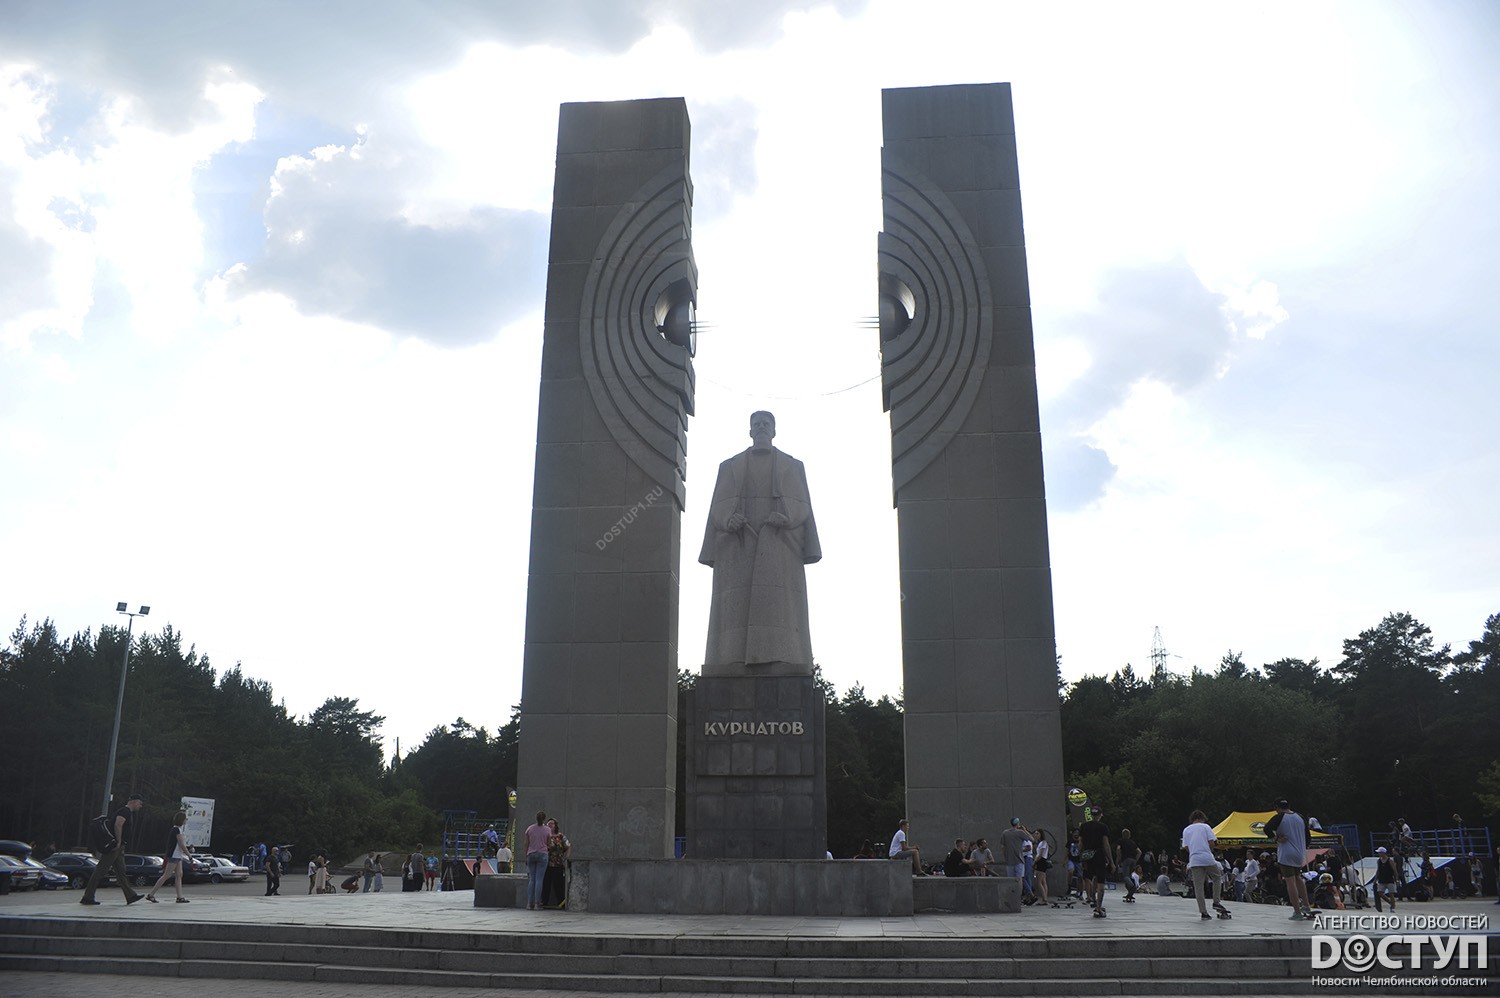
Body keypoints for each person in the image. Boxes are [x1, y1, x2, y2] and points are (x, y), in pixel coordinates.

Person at [699, 411, 821, 675]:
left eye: (767, 424)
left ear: (774, 431)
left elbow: (802, 504)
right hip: (737, 543)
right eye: (757, 424)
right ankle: (731, 660)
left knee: (780, 609)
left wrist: (786, 516)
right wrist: (728, 518)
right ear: (750, 431)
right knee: (734, 612)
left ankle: (781, 658)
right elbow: (717, 505)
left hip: (779, 543)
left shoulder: (793, 465)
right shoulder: (729, 466)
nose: (762, 427)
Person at [81, 792, 145, 906]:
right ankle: (87, 897)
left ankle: (130, 895)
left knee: (121, 872)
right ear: (134, 802)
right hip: (115, 847)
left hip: (119, 848)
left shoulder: (126, 812)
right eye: (140, 803)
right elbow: (118, 824)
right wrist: (118, 841)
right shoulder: (124, 811)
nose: (140, 806)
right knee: (100, 871)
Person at [1265, 798, 1313, 919]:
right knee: (1298, 878)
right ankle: (1306, 905)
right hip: (1300, 853)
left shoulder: (1280, 817)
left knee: (1290, 881)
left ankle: (1297, 911)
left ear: (1277, 808)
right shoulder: (1300, 817)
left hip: (1286, 852)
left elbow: (1266, 829)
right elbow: (1308, 837)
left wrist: (1276, 838)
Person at [1182, 809, 1228, 920]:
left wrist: (1193, 851)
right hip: (1206, 857)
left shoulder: (1186, 830)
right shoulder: (1206, 827)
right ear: (1201, 818)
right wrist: (1209, 850)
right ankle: (1216, 901)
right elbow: (1212, 842)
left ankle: (1203, 912)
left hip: (1194, 859)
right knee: (1217, 877)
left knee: (1198, 887)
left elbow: (1186, 846)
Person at [145, 810, 190, 904]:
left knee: (179, 875)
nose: (186, 820)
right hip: (174, 855)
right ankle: (151, 894)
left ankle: (180, 897)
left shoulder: (177, 829)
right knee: (167, 875)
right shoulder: (176, 830)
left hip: (177, 855)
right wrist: (189, 855)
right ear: (181, 820)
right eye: (185, 819)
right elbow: (181, 844)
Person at [1077, 806, 1112, 918]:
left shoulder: (1084, 826)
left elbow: (1080, 844)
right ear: (1101, 815)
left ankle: (1092, 899)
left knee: (1091, 878)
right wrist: (1111, 861)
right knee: (1101, 882)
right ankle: (1098, 908)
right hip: (1099, 855)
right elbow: (1106, 844)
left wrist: (1081, 856)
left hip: (1088, 855)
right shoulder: (1103, 827)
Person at [523, 811, 551, 910]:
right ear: (544, 819)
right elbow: (549, 844)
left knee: (532, 879)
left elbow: (526, 844)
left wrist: (526, 856)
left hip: (531, 854)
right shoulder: (547, 830)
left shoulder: (529, 829)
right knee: (539, 879)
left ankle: (529, 903)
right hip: (542, 854)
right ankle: (537, 903)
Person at [543, 819, 570, 908]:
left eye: (552, 823)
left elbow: (568, 846)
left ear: (555, 825)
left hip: (558, 863)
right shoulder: (545, 836)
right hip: (546, 863)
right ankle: (544, 902)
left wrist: (567, 857)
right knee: (546, 883)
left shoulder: (561, 836)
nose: (550, 825)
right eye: (548, 824)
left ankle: (561, 902)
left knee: (558, 884)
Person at [1115, 827, 1140, 903]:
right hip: (1133, 860)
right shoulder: (1132, 842)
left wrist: (1118, 858)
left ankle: (1133, 886)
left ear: (1123, 835)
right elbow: (1139, 852)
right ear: (1129, 835)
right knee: (1129, 876)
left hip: (1126, 860)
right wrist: (1136, 860)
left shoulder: (1121, 841)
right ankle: (1130, 893)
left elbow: (1118, 849)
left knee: (1125, 876)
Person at [1373, 846, 1400, 912]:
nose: (1379, 854)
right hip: (1381, 880)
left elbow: (1395, 870)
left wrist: (1397, 880)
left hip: (1389, 879)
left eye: (1379, 852)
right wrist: (1375, 879)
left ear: (1383, 853)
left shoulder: (1390, 861)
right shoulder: (1379, 861)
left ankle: (1392, 908)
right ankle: (1390, 902)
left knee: (1391, 894)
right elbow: (1378, 871)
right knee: (1380, 893)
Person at [1033, 830, 1052, 905]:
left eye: (1037, 833)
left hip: (1041, 861)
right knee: (1043, 881)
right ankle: (1044, 898)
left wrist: (1034, 862)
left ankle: (1044, 899)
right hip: (1041, 861)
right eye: (1035, 834)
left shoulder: (1043, 843)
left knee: (1039, 882)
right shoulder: (1040, 843)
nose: (1036, 835)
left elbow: (1040, 854)